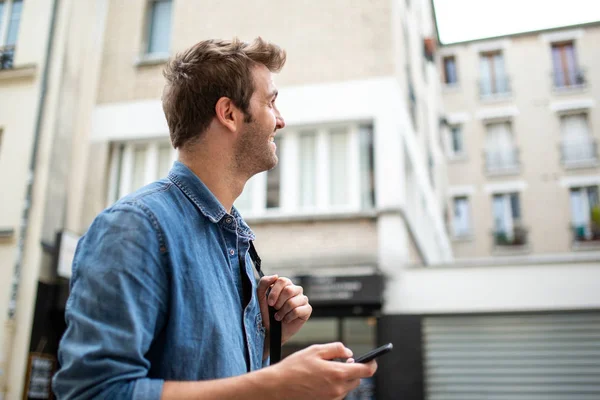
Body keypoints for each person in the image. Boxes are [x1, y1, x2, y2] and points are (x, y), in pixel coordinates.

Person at [52, 37, 377, 400]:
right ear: (229, 113)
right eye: (270, 102)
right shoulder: (134, 228)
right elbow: (93, 393)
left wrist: (265, 338)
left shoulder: (233, 238)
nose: (281, 121)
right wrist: (273, 384)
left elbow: (204, 375)